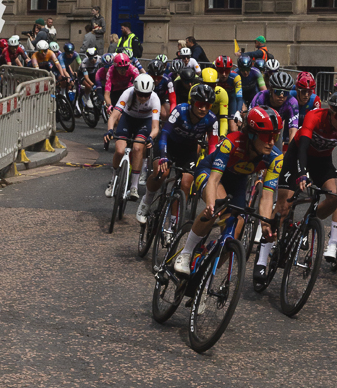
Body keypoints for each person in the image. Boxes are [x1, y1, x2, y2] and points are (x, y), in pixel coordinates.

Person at [174, 105, 284, 276]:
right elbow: (214, 180)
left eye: (275, 136)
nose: (271, 142)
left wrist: (265, 224)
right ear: (252, 134)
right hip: (210, 172)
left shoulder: (275, 159)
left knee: (235, 230)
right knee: (219, 207)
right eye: (266, 136)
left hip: (237, 181)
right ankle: (185, 253)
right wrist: (211, 205)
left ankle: (206, 275)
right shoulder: (232, 142)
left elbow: (267, 196)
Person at [271, 90, 337, 264]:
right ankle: (264, 252)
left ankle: (306, 223)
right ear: (331, 111)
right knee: (284, 206)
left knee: (336, 194)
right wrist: (302, 174)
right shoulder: (315, 116)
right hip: (297, 155)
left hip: (322, 160)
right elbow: (302, 148)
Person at [138, 81, 219, 224]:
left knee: (187, 184)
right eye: (200, 104)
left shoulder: (212, 119)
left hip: (188, 150)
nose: (203, 109)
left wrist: (214, 167)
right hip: (168, 144)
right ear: (192, 102)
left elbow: (212, 147)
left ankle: (174, 222)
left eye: (208, 105)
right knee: (161, 173)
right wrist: (163, 156)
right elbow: (164, 134)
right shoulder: (180, 111)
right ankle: (147, 200)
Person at [104, 74, 161, 202]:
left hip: (144, 122)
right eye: (140, 94)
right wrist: (109, 131)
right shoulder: (127, 94)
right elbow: (113, 116)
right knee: (119, 150)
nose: (143, 97)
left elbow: (155, 127)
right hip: (127, 120)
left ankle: (134, 187)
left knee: (137, 148)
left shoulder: (155, 99)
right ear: (135, 90)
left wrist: (151, 137)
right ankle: (113, 181)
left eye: (146, 95)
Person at [249, 69, 300, 145]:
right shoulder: (260, 97)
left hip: (276, 130)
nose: (281, 96)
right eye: (278, 92)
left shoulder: (292, 102)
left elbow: (293, 130)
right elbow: (250, 123)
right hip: (259, 130)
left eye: (285, 93)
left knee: (278, 155)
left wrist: (291, 152)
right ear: (271, 90)